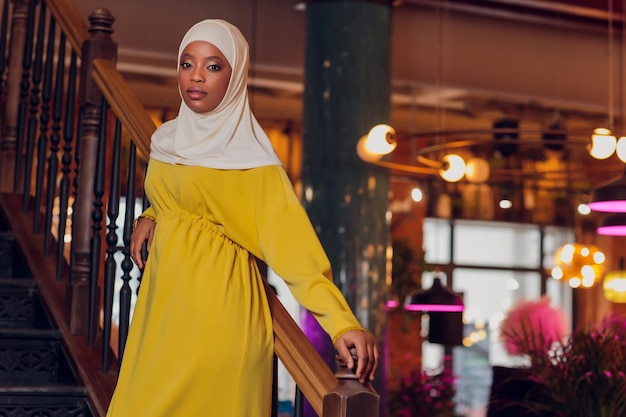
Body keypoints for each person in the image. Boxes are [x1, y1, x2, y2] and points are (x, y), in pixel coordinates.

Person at [105, 18, 380, 417]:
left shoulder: (254, 163)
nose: (196, 76)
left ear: (235, 78)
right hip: (161, 312)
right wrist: (151, 212)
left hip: (219, 314)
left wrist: (341, 322)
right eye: (187, 63)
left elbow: (294, 250)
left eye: (214, 66)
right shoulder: (166, 139)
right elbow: (184, 194)